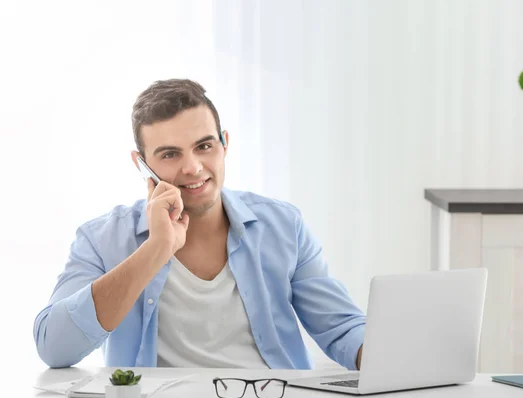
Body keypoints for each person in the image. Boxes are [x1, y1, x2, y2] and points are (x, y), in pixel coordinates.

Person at [33, 79, 365, 370]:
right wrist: (157, 248)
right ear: (142, 165)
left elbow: (342, 329)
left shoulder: (283, 225)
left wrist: (393, 360)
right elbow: (54, 347)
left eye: (204, 146)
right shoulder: (100, 238)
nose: (193, 167)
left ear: (224, 144)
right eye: (169, 154)